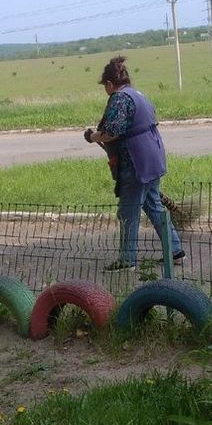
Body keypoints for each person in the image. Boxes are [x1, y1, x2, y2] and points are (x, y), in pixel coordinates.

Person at [84, 56, 185, 270]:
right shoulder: (138, 94)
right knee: (154, 206)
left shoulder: (119, 98)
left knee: (128, 212)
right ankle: (176, 251)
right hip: (153, 156)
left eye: (105, 86)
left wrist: (93, 136)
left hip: (136, 161)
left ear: (110, 84)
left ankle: (127, 260)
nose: (106, 90)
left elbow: (113, 131)